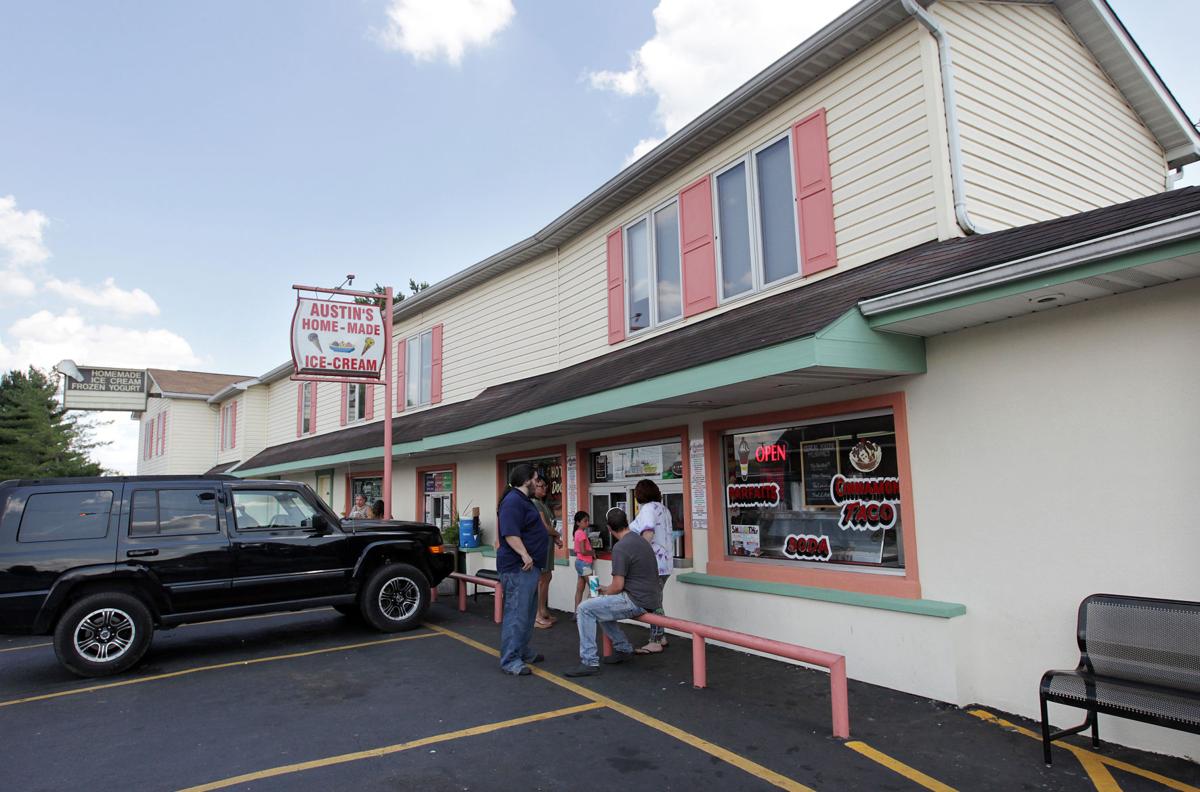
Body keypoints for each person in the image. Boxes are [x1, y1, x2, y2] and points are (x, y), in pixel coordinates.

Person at [564, 508, 662, 677]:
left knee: (585, 608)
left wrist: (606, 590)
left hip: (635, 600)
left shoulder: (620, 548)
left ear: (609, 528)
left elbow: (617, 586)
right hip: (652, 598)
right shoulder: (641, 542)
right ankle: (623, 648)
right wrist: (605, 591)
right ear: (627, 522)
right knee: (600, 607)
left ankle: (589, 661)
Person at [496, 463, 548, 676]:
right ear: (526, 480)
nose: (538, 482)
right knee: (517, 614)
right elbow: (510, 533)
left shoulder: (523, 501)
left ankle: (522, 650)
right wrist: (524, 554)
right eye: (536, 479)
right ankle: (510, 659)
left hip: (529, 568)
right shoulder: (512, 502)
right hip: (518, 568)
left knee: (526, 614)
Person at [629, 479, 673, 654]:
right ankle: (660, 635)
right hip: (665, 563)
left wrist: (639, 554)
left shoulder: (647, 509)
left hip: (653, 563)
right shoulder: (664, 509)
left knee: (653, 602)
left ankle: (655, 640)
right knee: (657, 600)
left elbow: (648, 531)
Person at [530, 475, 562, 629]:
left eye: (545, 486)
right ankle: (536, 615)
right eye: (540, 486)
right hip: (540, 547)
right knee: (540, 579)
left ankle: (542, 609)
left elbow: (550, 526)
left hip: (547, 545)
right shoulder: (535, 503)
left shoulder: (543, 504)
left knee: (547, 576)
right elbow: (544, 526)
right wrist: (557, 535)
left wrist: (555, 537)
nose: (544, 488)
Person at [571, 511, 594, 615]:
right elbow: (583, 551)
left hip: (580, 563)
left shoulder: (577, 533)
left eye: (588, 521)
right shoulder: (582, 534)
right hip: (585, 564)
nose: (587, 523)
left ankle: (577, 613)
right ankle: (593, 613)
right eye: (585, 521)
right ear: (578, 522)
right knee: (594, 588)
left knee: (580, 589)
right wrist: (592, 552)